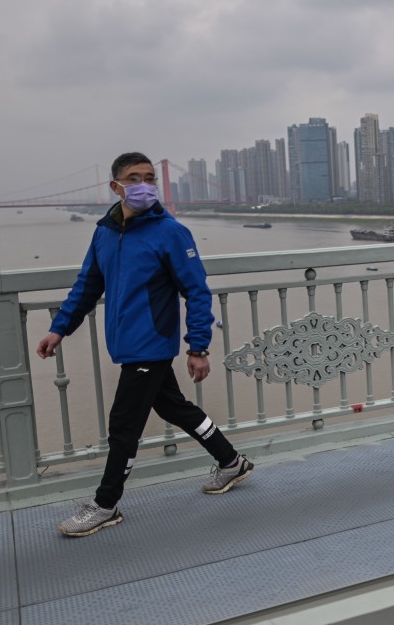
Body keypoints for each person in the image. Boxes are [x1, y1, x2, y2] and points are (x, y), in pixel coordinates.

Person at [36, 152, 254, 537]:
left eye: (150, 178)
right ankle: (231, 462)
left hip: (151, 343)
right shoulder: (105, 231)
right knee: (175, 407)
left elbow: (197, 292)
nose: (144, 185)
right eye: (134, 178)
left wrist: (198, 347)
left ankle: (105, 505)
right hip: (124, 343)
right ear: (115, 186)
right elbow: (88, 286)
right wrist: (59, 329)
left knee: (123, 426)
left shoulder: (170, 232)